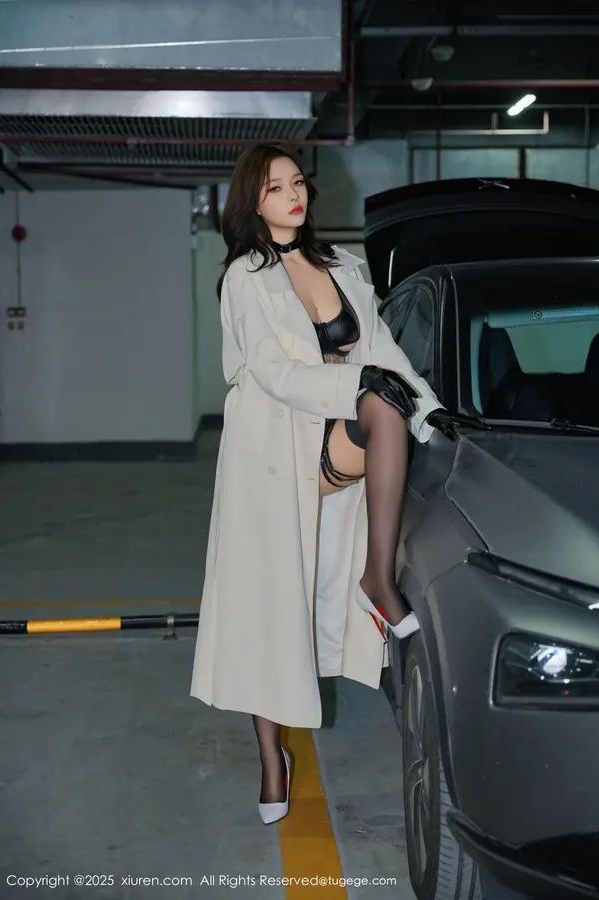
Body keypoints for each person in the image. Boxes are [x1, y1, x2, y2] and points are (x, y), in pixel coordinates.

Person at [190, 142, 447, 825]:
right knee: (267, 610)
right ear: (253, 201)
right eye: (276, 187)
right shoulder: (245, 277)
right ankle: (271, 757)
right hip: (272, 451)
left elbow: (384, 354)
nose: (293, 194)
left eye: (298, 182)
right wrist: (358, 381)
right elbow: (273, 372)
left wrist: (430, 415)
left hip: (331, 438)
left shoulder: (341, 265)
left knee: (386, 411)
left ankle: (376, 580)